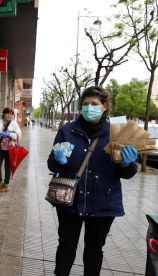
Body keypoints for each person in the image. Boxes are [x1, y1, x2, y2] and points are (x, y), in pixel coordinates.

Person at [47, 86, 138, 276]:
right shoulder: (67, 130)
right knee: (66, 246)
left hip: (103, 202)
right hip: (70, 202)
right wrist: (58, 160)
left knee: (94, 249)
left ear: (104, 106)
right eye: (85, 104)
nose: (89, 108)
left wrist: (127, 164)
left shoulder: (118, 133)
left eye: (94, 104)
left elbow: (127, 174)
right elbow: (51, 164)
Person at [0, 107, 22, 192]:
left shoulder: (14, 124)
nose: (9, 116)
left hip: (10, 149)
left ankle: (6, 184)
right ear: (3, 114)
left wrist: (10, 134)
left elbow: (19, 135)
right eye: (7, 114)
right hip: (0, 148)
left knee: (7, 167)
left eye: (11, 114)